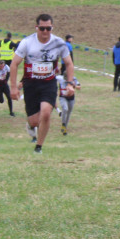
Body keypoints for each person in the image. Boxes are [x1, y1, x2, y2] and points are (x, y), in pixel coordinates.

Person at [9, 14, 75, 154]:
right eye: (42, 28)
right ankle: (31, 125)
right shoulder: (27, 42)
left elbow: (69, 64)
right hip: (31, 84)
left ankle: (39, 146)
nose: (45, 32)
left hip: (49, 83)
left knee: (45, 113)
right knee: (34, 122)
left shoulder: (59, 43)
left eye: (48, 28)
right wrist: (13, 87)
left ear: (52, 28)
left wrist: (70, 83)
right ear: (36, 27)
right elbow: (14, 64)